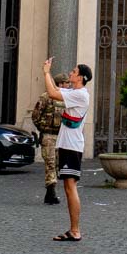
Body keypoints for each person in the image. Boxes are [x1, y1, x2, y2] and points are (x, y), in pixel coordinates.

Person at [41, 56, 91, 243]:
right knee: (68, 187)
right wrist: (48, 74)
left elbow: (53, 94)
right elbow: (53, 90)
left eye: (74, 72)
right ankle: (73, 229)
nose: (71, 73)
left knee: (70, 187)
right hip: (68, 145)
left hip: (72, 146)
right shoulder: (74, 92)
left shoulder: (80, 95)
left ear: (81, 78)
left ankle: (75, 230)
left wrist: (46, 72)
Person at [31, 73, 67, 205]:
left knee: (58, 164)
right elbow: (35, 115)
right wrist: (42, 128)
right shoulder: (46, 97)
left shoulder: (66, 98)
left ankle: (51, 191)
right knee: (50, 163)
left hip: (62, 136)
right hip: (48, 134)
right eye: (65, 83)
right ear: (60, 83)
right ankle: (51, 192)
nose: (67, 85)